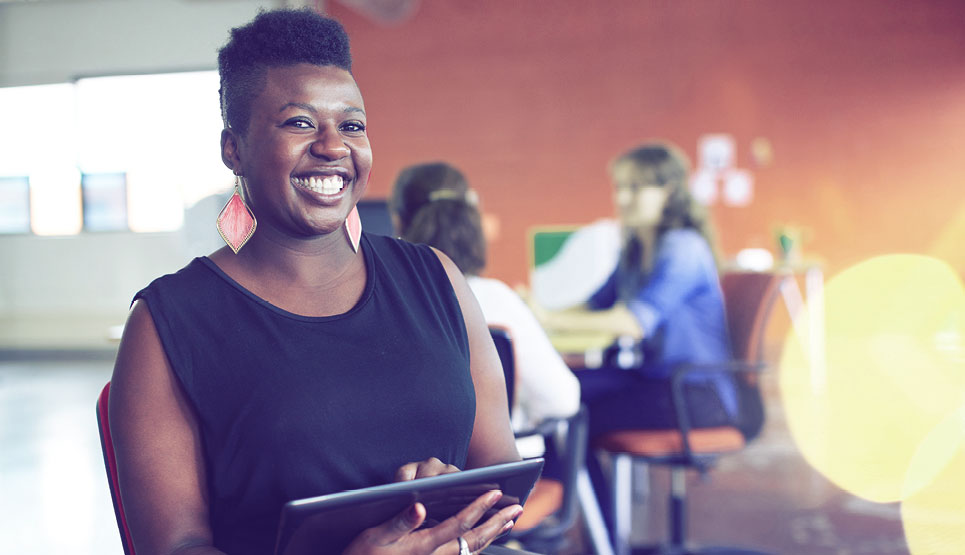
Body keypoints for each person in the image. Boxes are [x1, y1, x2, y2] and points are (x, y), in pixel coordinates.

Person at [108, 9, 522, 555]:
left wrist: (452, 517)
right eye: (300, 122)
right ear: (234, 149)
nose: (333, 146)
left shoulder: (436, 278)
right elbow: (177, 546)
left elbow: (502, 473)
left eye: (351, 125)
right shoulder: (167, 324)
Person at [544, 141, 736, 525]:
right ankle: (587, 530)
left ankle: (598, 537)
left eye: (636, 187)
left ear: (668, 191)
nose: (623, 197)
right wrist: (539, 313)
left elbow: (632, 321)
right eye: (619, 187)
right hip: (654, 381)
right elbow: (595, 306)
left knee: (570, 417)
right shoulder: (636, 248)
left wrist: (549, 320)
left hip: (693, 395)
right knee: (552, 393)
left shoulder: (682, 247)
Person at [389, 162, 580, 532]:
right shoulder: (498, 300)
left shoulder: (387, 304)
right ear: (472, 215)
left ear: (398, 222)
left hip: (405, 487)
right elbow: (564, 400)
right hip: (496, 482)